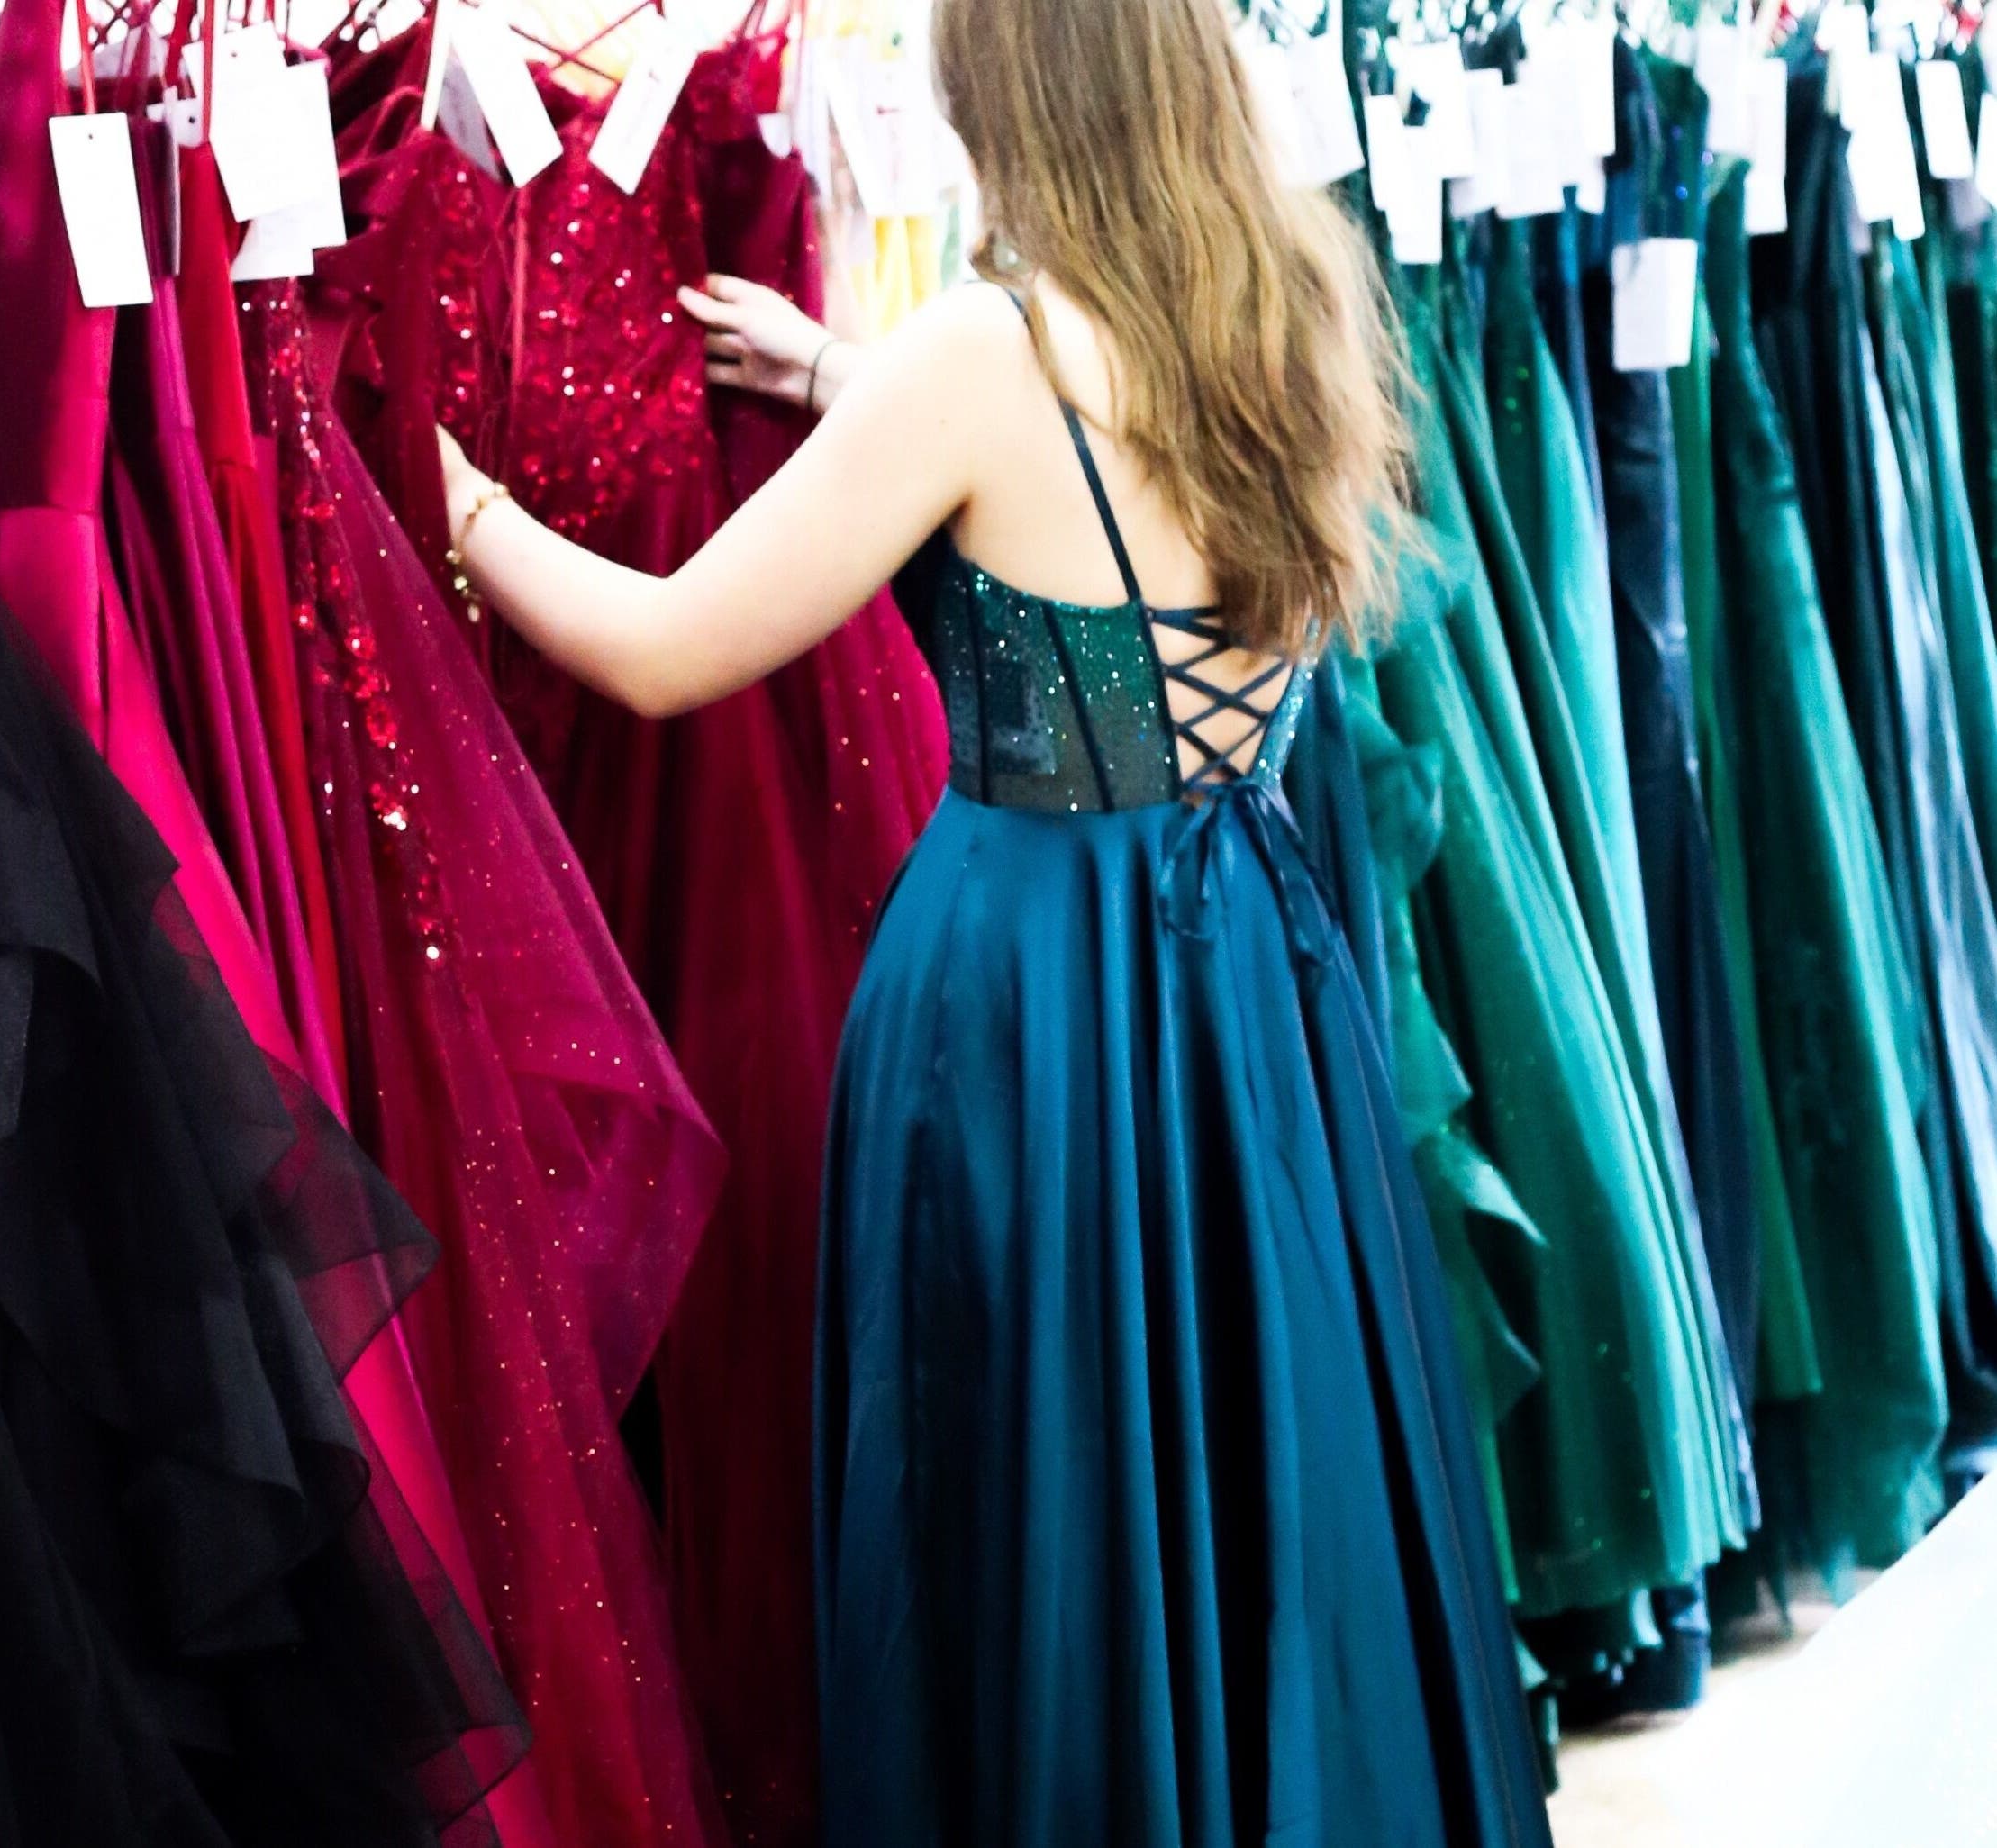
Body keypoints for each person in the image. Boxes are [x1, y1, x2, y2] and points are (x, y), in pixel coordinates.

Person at [436, 0, 1554, 1840]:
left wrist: (455, 506)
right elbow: (1072, 477)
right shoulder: (1279, 304)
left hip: (1025, 1003)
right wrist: (839, 382)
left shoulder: (981, 350)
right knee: (1243, 1455)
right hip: (1248, 989)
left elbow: (659, 652)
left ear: (1007, 96)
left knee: (1036, 1485)